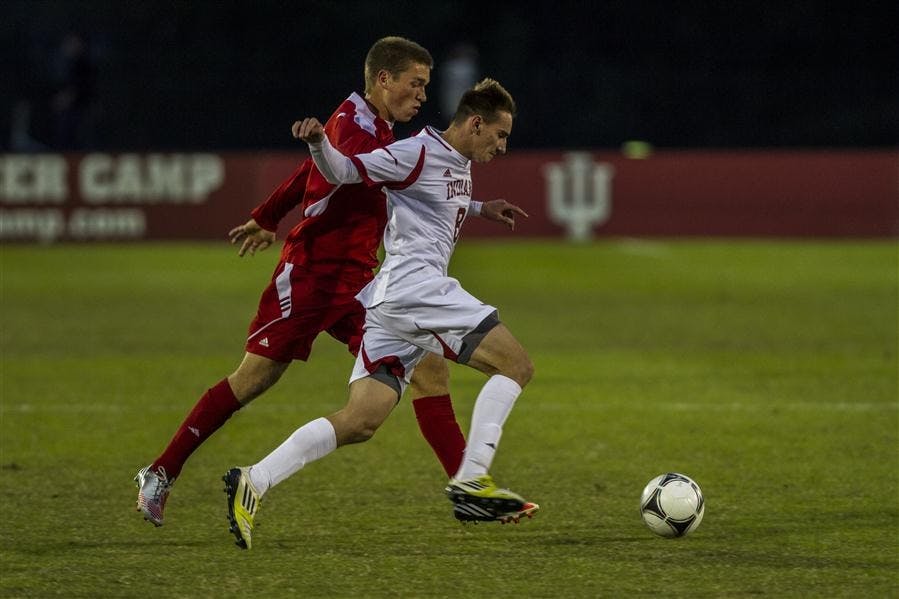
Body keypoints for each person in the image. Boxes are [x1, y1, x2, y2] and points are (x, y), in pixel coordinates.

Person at [134, 37, 520, 529]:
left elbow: (361, 179)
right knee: (254, 379)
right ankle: (162, 471)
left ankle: (469, 492)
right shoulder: (353, 126)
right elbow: (330, 168)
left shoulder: (376, 125)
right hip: (314, 275)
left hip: (359, 280)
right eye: (415, 83)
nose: (422, 95)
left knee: (425, 372)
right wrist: (273, 213)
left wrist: (265, 215)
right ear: (384, 79)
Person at [223, 78, 537, 549]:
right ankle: (472, 482)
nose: (503, 146)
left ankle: (254, 479)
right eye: (500, 135)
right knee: (516, 366)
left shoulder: (457, 162)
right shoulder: (415, 152)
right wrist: (318, 144)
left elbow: (436, 198)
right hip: (417, 291)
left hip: (390, 305)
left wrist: (479, 208)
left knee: (361, 420)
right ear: (476, 123)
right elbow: (346, 170)